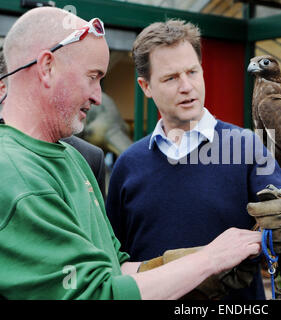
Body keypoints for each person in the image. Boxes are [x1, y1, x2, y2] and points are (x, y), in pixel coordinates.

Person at [0, 7, 262, 300]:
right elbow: (99, 294)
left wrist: (196, 264)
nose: (98, 96)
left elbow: (116, 268)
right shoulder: (12, 174)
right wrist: (209, 260)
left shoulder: (75, 159)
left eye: (192, 72)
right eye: (92, 77)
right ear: (47, 67)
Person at [106, 19, 281, 300]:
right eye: (170, 78)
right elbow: (112, 263)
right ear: (146, 86)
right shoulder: (128, 164)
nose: (187, 86)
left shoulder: (249, 147)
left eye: (192, 72)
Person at [0, 50, 107, 199]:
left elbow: (97, 221)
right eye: (91, 77)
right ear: (2, 89)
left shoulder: (88, 157)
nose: (97, 98)